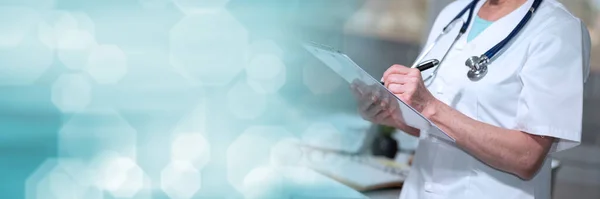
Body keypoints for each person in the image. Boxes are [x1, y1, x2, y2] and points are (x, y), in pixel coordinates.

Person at [351, 0, 591, 198]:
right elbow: (433, 127)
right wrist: (389, 113)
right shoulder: (454, 14)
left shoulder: (557, 29)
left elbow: (527, 158)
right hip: (418, 190)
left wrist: (429, 107)